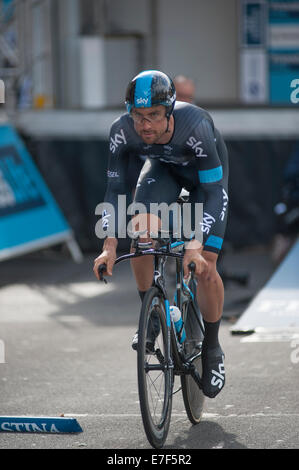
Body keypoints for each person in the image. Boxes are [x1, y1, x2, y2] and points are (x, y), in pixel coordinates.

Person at [93, 70, 229, 398]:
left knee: (206, 264)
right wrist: (109, 245)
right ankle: (152, 315)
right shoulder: (120, 131)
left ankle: (212, 346)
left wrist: (195, 246)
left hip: (204, 183)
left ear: (169, 110)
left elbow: (213, 194)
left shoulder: (195, 124)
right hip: (162, 172)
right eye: (138, 116)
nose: (145, 125)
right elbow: (114, 189)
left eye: (154, 115)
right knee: (140, 232)